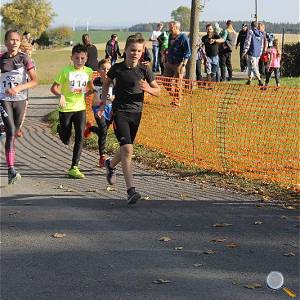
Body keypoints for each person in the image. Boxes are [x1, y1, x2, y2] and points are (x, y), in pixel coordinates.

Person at [99, 34, 160, 205]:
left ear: (142, 52)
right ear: (125, 50)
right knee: (127, 149)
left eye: (139, 51)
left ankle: (110, 164)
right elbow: (106, 83)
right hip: (120, 113)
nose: (135, 53)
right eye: (132, 50)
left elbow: (159, 91)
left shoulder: (144, 70)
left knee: (127, 150)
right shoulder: (117, 69)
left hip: (136, 113)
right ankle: (130, 191)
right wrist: (104, 102)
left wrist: (148, 88)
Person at [50, 43, 94, 179]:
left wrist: (91, 91)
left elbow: (90, 87)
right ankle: (59, 129)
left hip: (80, 108)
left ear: (86, 58)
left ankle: (74, 167)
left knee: (80, 137)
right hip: (66, 109)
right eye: (76, 58)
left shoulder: (88, 71)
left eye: (82, 58)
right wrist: (61, 95)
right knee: (66, 139)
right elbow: (54, 88)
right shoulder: (65, 71)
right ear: (72, 58)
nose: (79, 61)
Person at [0, 29, 38, 184]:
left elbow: (35, 81)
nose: (14, 42)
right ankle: (11, 169)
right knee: (10, 132)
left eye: (17, 40)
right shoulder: (1, 58)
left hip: (20, 99)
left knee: (14, 132)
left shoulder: (24, 58)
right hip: (4, 98)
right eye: (11, 39)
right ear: (6, 42)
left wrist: (18, 88)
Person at [84, 58, 114, 167]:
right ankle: (102, 156)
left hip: (110, 109)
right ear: (98, 70)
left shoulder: (113, 82)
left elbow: (117, 95)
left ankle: (90, 128)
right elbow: (90, 91)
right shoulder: (95, 81)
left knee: (103, 132)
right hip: (97, 108)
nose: (106, 71)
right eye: (103, 69)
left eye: (108, 69)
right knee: (104, 131)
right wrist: (83, 96)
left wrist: (112, 98)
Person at [164, 21, 191, 105]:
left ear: (177, 27)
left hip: (179, 64)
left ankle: (176, 102)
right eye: (169, 27)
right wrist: (165, 54)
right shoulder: (170, 36)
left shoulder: (183, 37)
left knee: (177, 85)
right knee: (165, 82)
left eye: (171, 27)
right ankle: (175, 96)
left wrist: (184, 65)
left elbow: (188, 52)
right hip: (169, 62)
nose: (169, 29)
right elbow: (169, 48)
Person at [242, 21, 264, 86]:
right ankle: (249, 80)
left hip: (251, 52)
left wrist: (244, 51)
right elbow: (261, 45)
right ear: (257, 26)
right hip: (257, 53)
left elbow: (247, 42)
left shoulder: (250, 32)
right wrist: (260, 53)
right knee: (253, 66)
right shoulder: (261, 33)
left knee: (252, 67)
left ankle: (260, 80)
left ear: (251, 26)